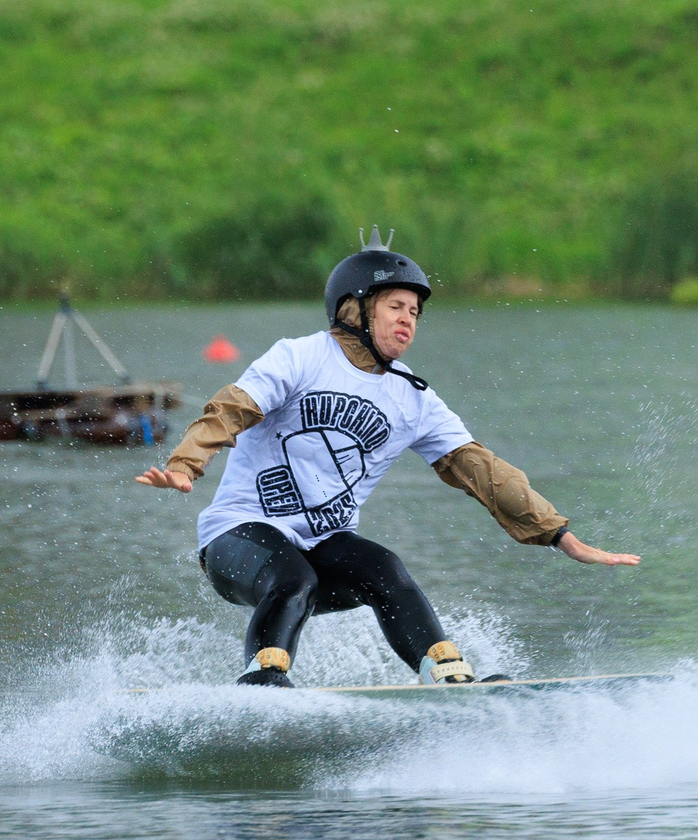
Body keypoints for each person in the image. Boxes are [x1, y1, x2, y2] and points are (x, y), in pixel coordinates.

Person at [136, 232, 638, 686]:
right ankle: (263, 681)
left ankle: (445, 676)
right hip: (238, 540)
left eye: (415, 312)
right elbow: (232, 407)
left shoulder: (413, 398)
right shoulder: (299, 357)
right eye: (396, 306)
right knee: (294, 580)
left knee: (384, 568)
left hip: (324, 546)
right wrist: (185, 464)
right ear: (355, 308)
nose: (407, 320)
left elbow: (482, 470)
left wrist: (558, 534)